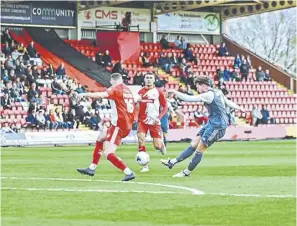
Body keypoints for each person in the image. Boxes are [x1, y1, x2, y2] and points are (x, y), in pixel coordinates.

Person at [161, 76, 245, 177]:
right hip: (212, 124)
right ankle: (172, 162)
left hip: (218, 127)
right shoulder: (218, 91)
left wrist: (175, 91)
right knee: (194, 143)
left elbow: (189, 99)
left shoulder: (208, 95)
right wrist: (239, 107)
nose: (197, 89)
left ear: (204, 86)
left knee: (199, 149)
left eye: (198, 87)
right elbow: (227, 102)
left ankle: (186, 172)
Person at [76, 73, 136, 182]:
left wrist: (84, 94)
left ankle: (128, 172)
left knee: (108, 153)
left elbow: (102, 95)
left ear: (112, 81)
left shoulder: (115, 89)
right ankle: (92, 168)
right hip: (127, 124)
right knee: (101, 138)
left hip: (119, 126)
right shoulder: (127, 90)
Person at [137, 73, 168, 173]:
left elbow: (165, 107)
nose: (149, 79)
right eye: (147, 78)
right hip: (142, 121)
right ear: (144, 79)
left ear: (154, 80)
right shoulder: (140, 92)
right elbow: (137, 106)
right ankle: (145, 165)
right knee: (141, 140)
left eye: (151, 78)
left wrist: (159, 118)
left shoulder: (159, 92)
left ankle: (161, 145)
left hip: (154, 121)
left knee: (157, 146)